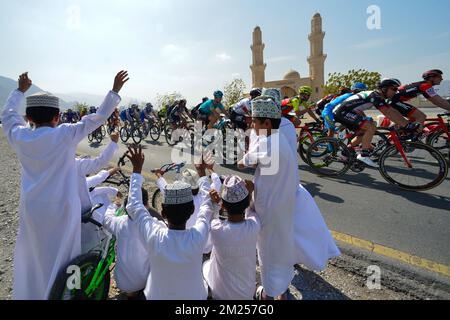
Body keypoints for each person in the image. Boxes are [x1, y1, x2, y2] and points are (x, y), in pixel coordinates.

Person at [1, 71, 128, 299]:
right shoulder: (65, 134)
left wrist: (19, 90)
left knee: (35, 257)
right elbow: (97, 118)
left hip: (32, 210)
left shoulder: (20, 136)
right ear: (58, 116)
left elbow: (8, 115)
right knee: (67, 258)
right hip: (62, 211)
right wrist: (114, 91)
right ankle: (66, 295)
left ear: (28, 118)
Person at [125, 146, 219, 300]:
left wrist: (136, 170)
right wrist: (202, 173)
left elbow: (134, 206)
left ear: (163, 213)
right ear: (191, 211)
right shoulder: (197, 235)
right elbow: (206, 205)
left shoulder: (154, 234)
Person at [263, 88, 340, 273]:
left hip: (277, 186)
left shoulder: (272, 129)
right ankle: (293, 255)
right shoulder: (287, 124)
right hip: (290, 181)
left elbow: (266, 164)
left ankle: (281, 259)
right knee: (292, 222)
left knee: (276, 224)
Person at [238, 96, 297, 300]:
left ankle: (269, 294)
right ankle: (281, 290)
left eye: (254, 121)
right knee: (282, 247)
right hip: (284, 204)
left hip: (269, 208)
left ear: (267, 123)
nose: (251, 124)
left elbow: (241, 164)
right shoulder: (280, 138)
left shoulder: (265, 144)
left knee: (267, 252)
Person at [333, 78, 417, 167]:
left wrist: (407, 123)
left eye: (396, 89)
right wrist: (406, 125)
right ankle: (364, 155)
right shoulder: (375, 96)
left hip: (348, 111)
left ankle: (344, 152)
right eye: (394, 89)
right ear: (384, 89)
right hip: (342, 112)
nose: (395, 92)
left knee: (365, 131)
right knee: (370, 127)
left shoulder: (378, 97)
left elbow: (392, 110)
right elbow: (387, 113)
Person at [202, 175, 260, 300]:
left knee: (206, 265)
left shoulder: (216, 229)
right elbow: (251, 210)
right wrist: (250, 192)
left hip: (220, 294)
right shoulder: (254, 225)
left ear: (224, 206)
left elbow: (211, 215)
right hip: (246, 293)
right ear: (247, 202)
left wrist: (216, 203)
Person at [103, 187, 154, 300]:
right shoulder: (152, 225)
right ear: (146, 206)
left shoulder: (119, 222)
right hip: (144, 281)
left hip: (122, 282)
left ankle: (130, 293)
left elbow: (107, 219)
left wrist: (114, 205)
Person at [153, 164, 212, 229]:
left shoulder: (177, 197)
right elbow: (207, 186)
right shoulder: (205, 197)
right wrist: (203, 170)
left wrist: (159, 174)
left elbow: (165, 188)